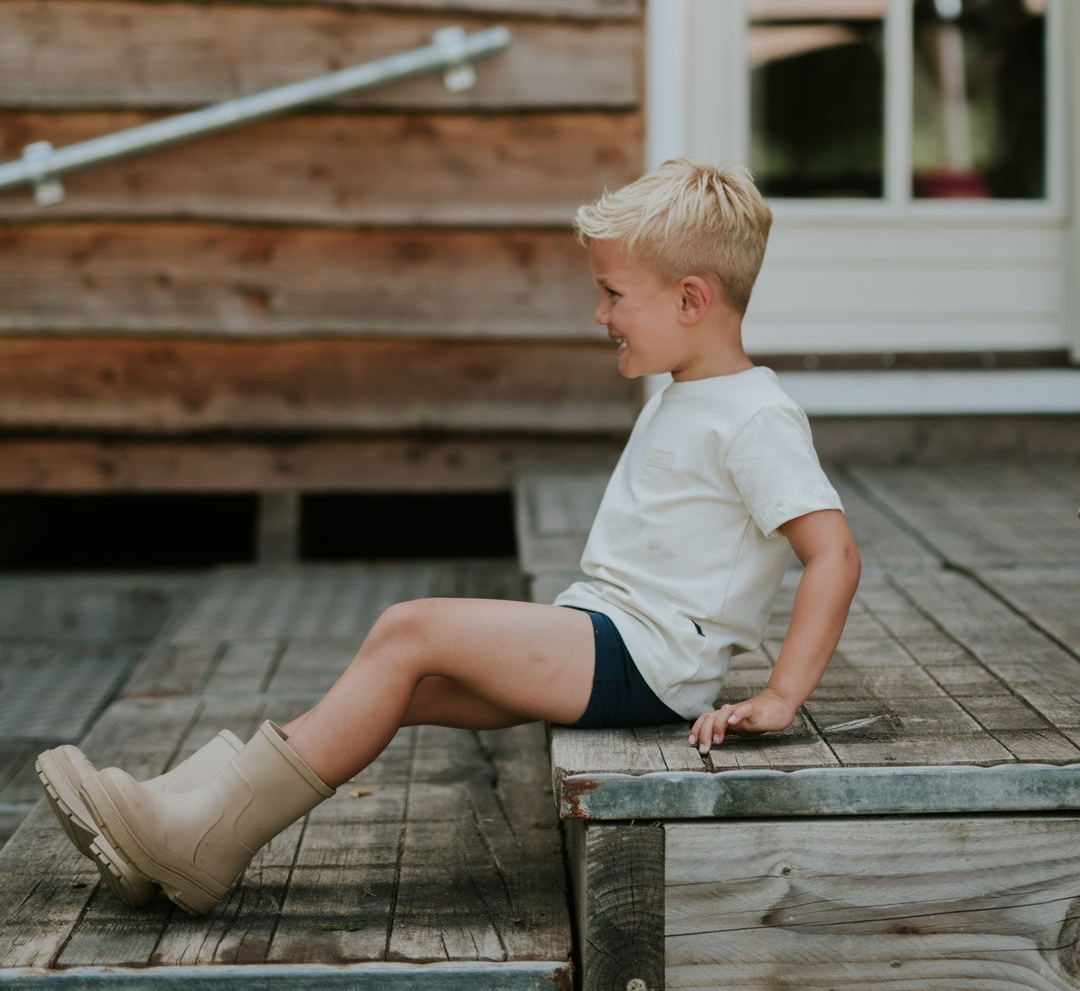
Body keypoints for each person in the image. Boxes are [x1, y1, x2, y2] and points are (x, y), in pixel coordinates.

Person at [36, 158, 860, 915]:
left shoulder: (755, 416)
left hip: (650, 660)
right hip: (609, 635)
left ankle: (195, 840)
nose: (600, 314)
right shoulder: (690, 393)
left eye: (614, 294)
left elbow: (833, 555)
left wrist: (780, 695)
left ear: (690, 300)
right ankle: (185, 820)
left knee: (411, 628)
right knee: (405, 683)